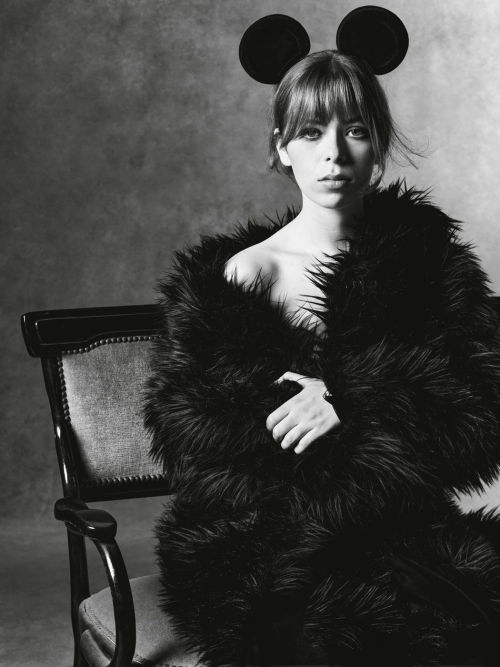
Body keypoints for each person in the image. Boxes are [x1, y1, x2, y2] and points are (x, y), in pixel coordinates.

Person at [144, 9, 500, 667]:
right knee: (346, 637)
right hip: (261, 547)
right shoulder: (240, 277)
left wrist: (349, 399)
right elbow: (196, 438)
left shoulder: (427, 263)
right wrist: (327, 429)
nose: (334, 152)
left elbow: (481, 414)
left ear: (379, 145)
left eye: (355, 130)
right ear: (282, 147)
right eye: (312, 132)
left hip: (402, 529)